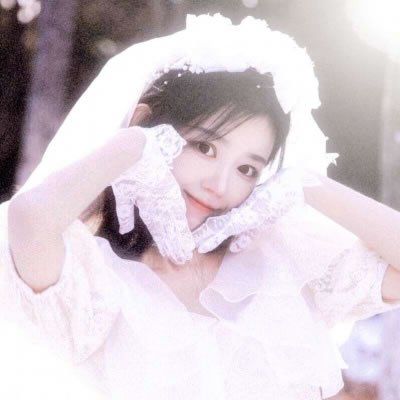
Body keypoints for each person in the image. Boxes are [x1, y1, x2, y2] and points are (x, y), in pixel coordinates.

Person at [1, 13, 400, 400]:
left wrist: (308, 184)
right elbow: (27, 218)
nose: (220, 185)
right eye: (204, 147)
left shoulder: (277, 260)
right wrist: (132, 143)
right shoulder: (95, 277)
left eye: (247, 169)